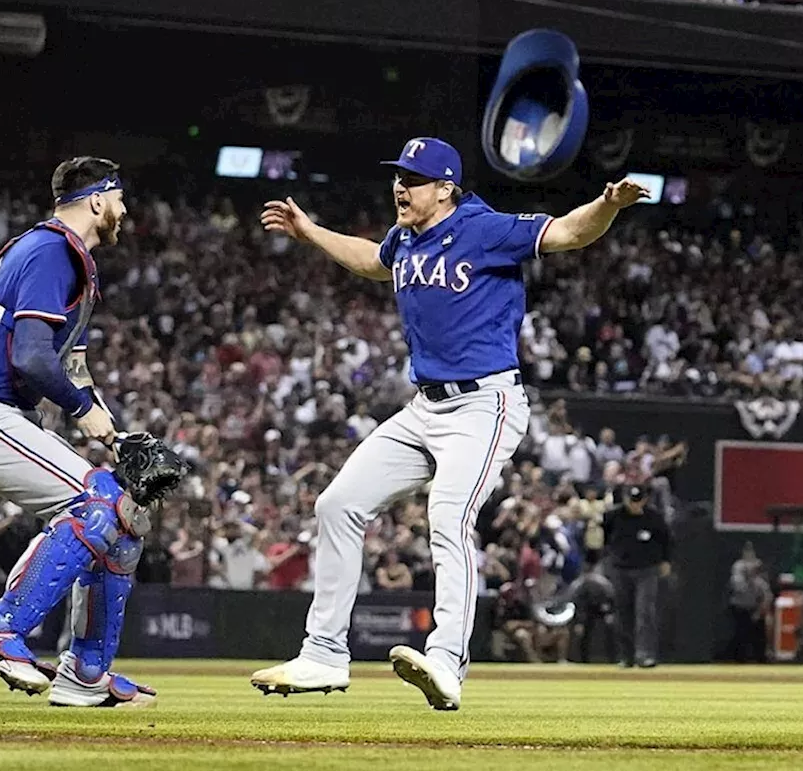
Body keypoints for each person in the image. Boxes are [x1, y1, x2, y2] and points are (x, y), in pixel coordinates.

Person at [251, 136, 648, 710]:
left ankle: (446, 660)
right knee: (336, 505)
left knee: (449, 513)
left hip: (485, 405)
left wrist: (607, 205)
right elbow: (371, 260)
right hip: (425, 407)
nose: (399, 187)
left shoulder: (484, 229)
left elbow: (565, 232)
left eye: (412, 179)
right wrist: (310, 230)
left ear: (445, 188)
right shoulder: (406, 238)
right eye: (397, 178)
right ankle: (323, 656)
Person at [0, 156, 157, 708]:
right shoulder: (52, 249)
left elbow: (70, 365)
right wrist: (85, 413)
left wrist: (114, 435)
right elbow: (32, 358)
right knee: (97, 506)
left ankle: (86, 673)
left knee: (125, 521)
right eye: (120, 198)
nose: (126, 210)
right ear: (98, 200)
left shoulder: (64, 256)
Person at [603, 483, 671, 668]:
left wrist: (665, 561)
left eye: (638, 501)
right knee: (623, 612)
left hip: (647, 570)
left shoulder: (654, 518)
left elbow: (666, 539)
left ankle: (644, 654)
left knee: (644, 612)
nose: (634, 505)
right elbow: (604, 538)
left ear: (645, 500)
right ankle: (626, 656)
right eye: (631, 501)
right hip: (620, 569)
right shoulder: (613, 516)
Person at [726, 542, 772, 663]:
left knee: (759, 638)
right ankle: (739, 661)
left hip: (756, 607)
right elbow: (738, 588)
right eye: (747, 551)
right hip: (740, 608)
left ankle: (761, 660)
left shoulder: (759, 569)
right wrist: (749, 576)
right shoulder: (739, 567)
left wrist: (759, 612)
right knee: (741, 636)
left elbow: (767, 594)